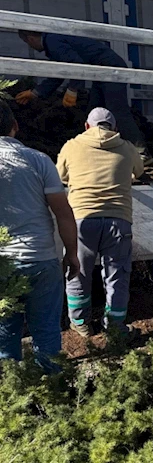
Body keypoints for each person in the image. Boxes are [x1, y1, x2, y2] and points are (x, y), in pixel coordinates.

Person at [0, 101, 80, 371]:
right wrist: (71, 253)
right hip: (41, 259)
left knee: (5, 334)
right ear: (15, 126)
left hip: (3, 264)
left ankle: (12, 395)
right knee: (46, 330)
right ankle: (52, 390)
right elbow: (63, 213)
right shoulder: (38, 160)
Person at [57, 107, 145, 338]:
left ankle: (80, 323)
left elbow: (60, 177)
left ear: (87, 126)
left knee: (78, 271)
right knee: (117, 275)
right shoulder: (126, 148)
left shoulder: (71, 146)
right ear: (114, 128)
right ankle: (115, 328)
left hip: (81, 220)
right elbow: (139, 171)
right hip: (118, 220)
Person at [15, 30, 153, 165]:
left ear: (30, 38)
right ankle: (98, 150)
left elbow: (76, 64)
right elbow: (59, 71)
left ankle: (141, 153)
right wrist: (36, 93)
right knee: (93, 112)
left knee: (117, 111)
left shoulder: (52, 41)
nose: (30, 46)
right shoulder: (54, 40)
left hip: (111, 71)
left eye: (27, 42)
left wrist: (72, 89)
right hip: (101, 71)